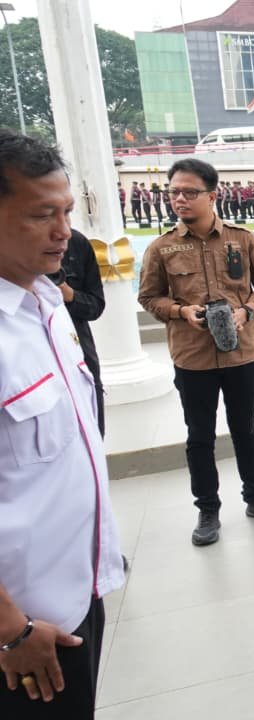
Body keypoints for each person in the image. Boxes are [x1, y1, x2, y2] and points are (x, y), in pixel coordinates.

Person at [0, 129, 125, 719]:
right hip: (22, 632)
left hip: (77, 595)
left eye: (68, 212)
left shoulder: (47, 305)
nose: (64, 232)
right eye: (41, 215)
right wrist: (11, 630)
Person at [137, 158, 254, 546]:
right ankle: (207, 509)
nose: (180, 199)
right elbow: (149, 297)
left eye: (189, 192)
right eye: (174, 192)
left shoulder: (243, 240)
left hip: (242, 354)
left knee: (244, 430)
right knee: (199, 437)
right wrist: (181, 311)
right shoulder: (161, 248)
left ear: (212, 196)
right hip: (193, 358)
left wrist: (246, 310)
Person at [49, 229, 107, 437]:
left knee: (93, 434)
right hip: (38, 375)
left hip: (80, 358)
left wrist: (68, 294)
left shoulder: (77, 243)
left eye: (66, 214)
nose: (61, 229)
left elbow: (96, 306)